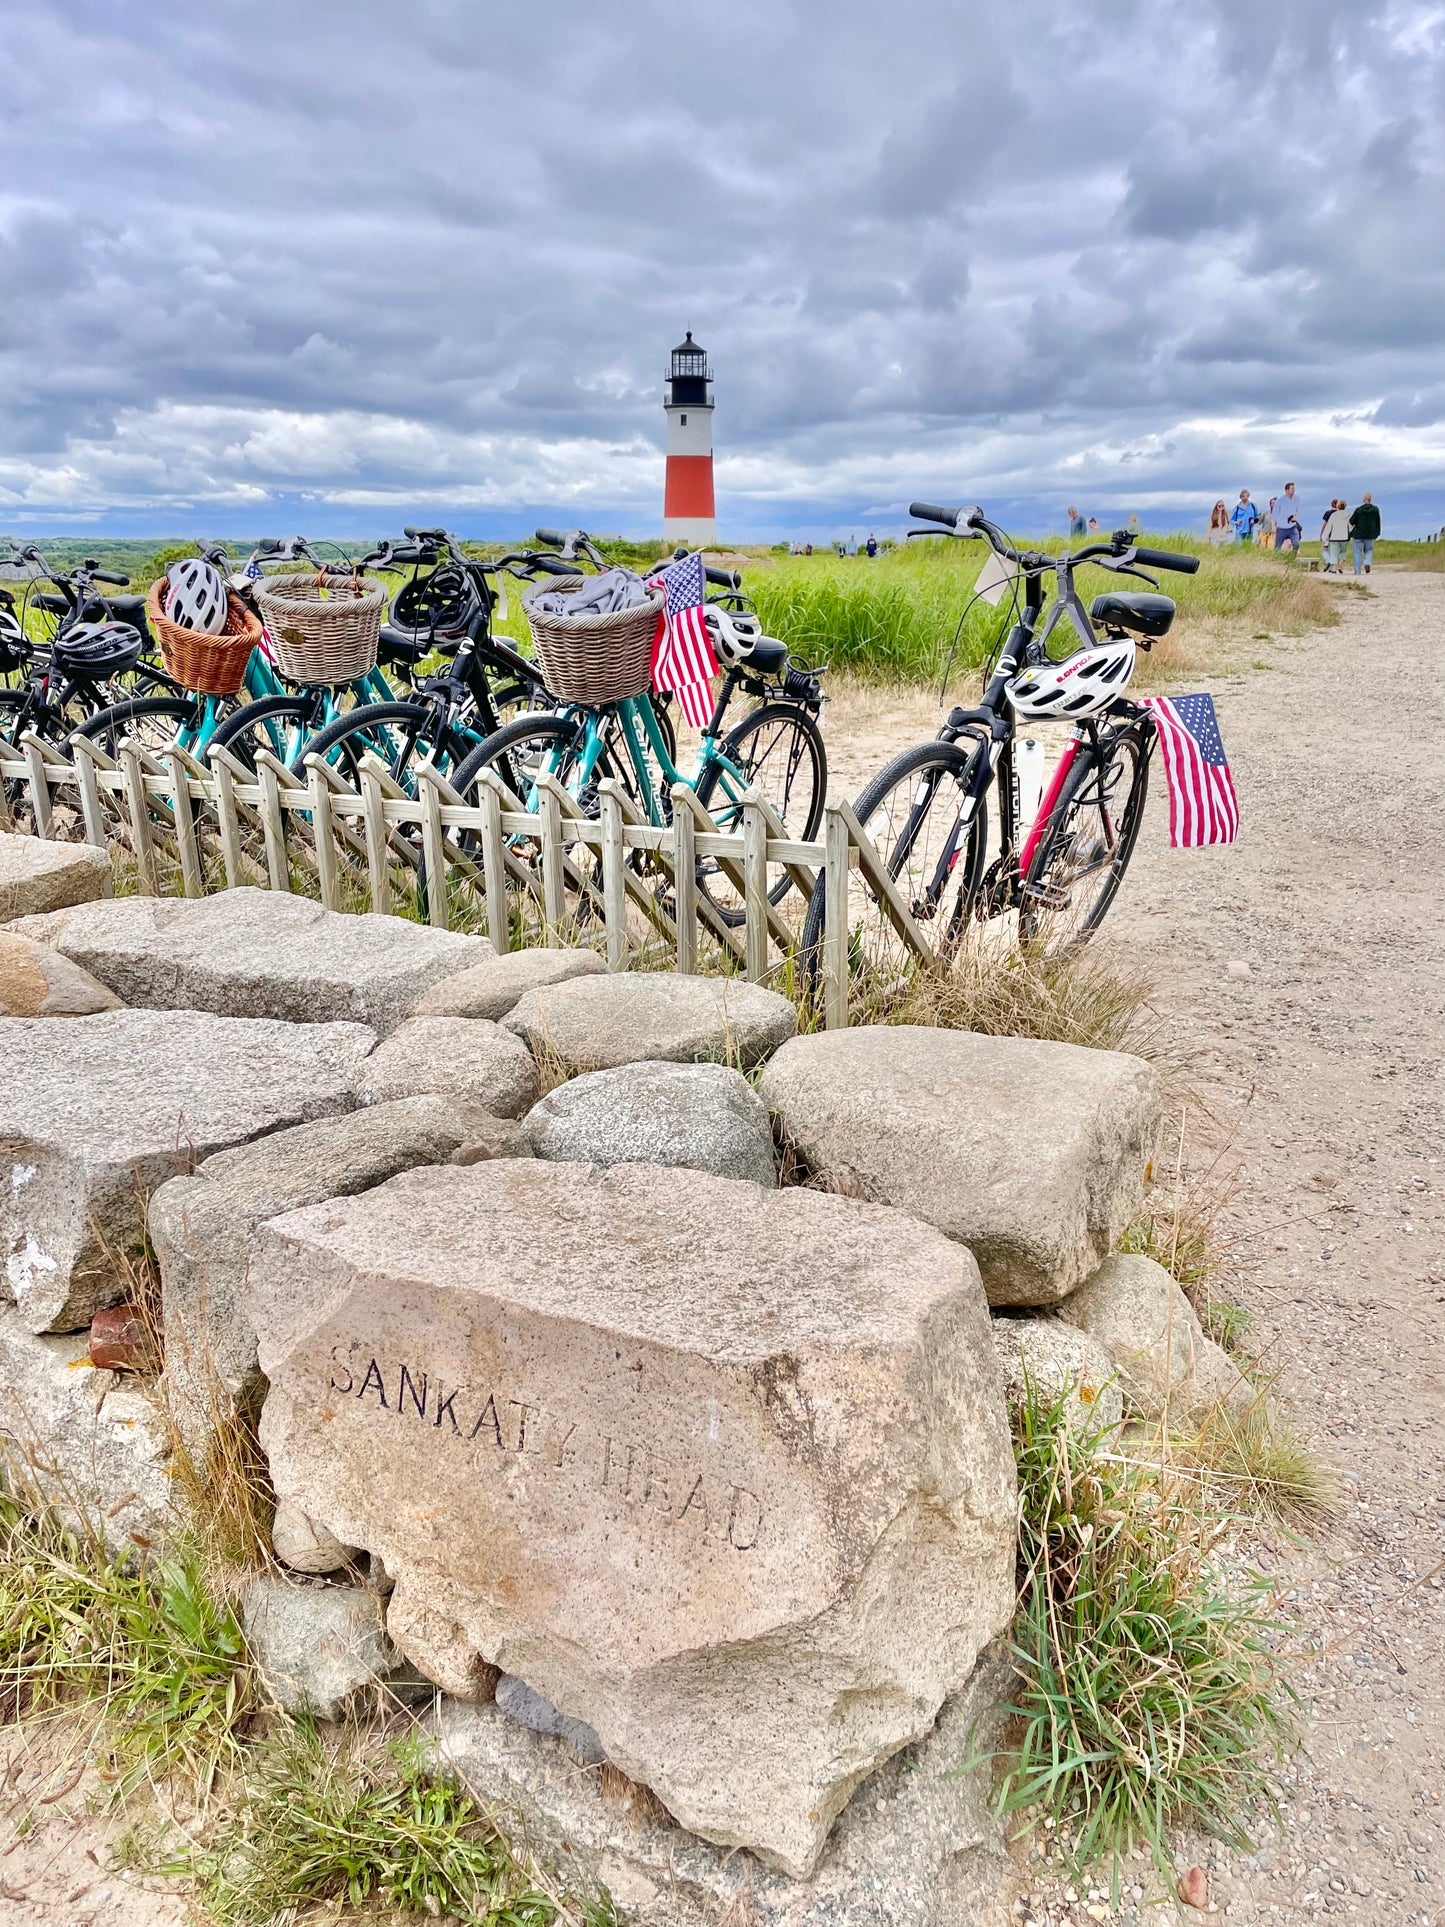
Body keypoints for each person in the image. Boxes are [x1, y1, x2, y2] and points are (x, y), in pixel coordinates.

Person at [1349, 493, 1380, 574]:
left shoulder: (1359, 510)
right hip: (1370, 534)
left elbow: (1351, 521)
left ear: (1364, 499)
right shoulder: (1375, 509)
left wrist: (1354, 512)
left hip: (1358, 534)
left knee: (1357, 552)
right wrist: (1377, 533)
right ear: (1371, 499)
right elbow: (1378, 522)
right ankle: (1367, 563)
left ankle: (1357, 571)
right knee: (1369, 550)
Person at [1321, 500, 1351, 572]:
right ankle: (1340, 566)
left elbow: (1328, 527)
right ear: (1345, 506)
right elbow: (1350, 526)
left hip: (1334, 537)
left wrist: (1324, 537)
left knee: (1334, 553)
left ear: (1338, 506)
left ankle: (1334, 568)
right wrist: (1351, 534)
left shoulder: (1333, 515)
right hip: (1345, 537)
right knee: (1343, 552)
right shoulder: (1349, 515)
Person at [1274, 482, 1303, 553]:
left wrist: (1295, 517)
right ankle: (1275, 558)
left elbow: (1298, 511)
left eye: (1294, 489)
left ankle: (1291, 557)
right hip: (1281, 527)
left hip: (1292, 526)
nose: (1293, 490)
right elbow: (1274, 514)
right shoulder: (1280, 501)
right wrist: (1273, 526)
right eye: (1292, 489)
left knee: (1296, 544)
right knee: (1277, 547)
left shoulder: (1297, 499)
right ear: (1287, 490)